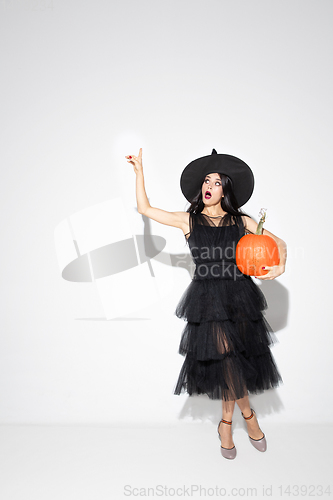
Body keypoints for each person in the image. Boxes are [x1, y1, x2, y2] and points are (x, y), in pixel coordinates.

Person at [126, 147, 287, 460]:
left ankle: (226, 422)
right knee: (228, 360)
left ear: (225, 189)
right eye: (206, 181)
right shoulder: (189, 220)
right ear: (201, 187)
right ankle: (247, 418)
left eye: (217, 182)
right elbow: (145, 209)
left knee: (235, 362)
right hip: (207, 300)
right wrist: (140, 171)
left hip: (241, 296)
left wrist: (279, 266)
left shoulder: (242, 220)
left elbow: (278, 243)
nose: (210, 186)